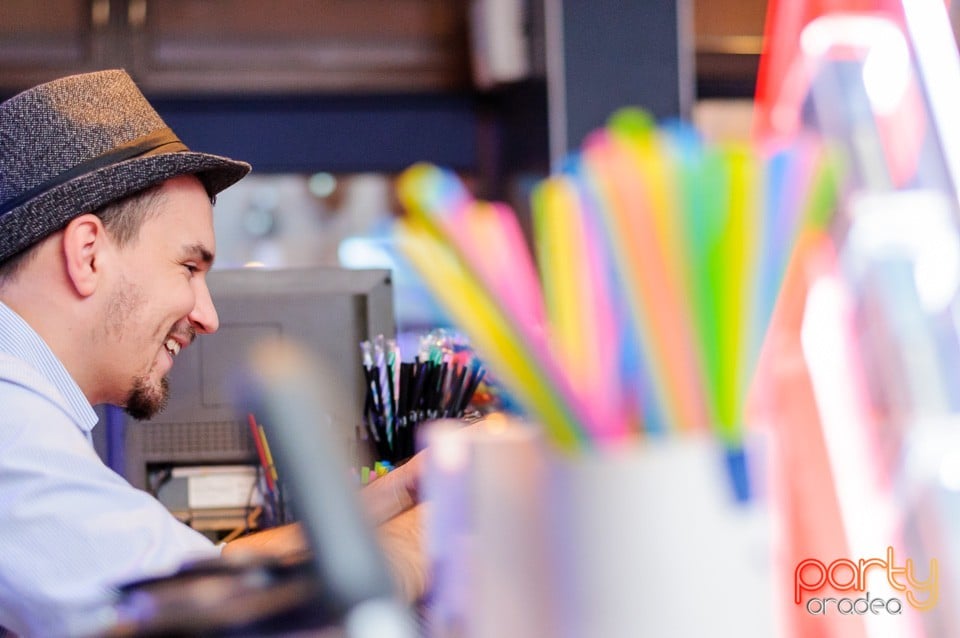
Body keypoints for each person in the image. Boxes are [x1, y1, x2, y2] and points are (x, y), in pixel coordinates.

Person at [0, 69, 426, 637]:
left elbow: (197, 579)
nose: (208, 315)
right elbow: (203, 625)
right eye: (189, 267)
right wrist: (455, 524)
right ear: (88, 255)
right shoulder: (13, 434)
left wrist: (392, 498)